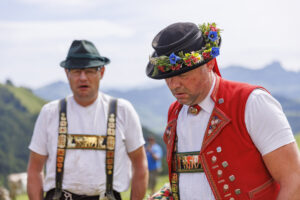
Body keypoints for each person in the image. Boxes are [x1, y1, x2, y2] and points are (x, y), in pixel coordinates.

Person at [145, 22, 300, 200]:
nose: (174, 85)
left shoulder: (252, 102)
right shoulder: (175, 113)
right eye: (167, 77)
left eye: (183, 75)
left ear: (210, 63)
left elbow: (294, 180)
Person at [27, 40, 148, 200]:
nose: (83, 78)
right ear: (67, 73)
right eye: (77, 71)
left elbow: (140, 166)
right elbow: (35, 169)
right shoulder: (50, 112)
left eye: (90, 71)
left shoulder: (122, 110)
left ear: (102, 72)